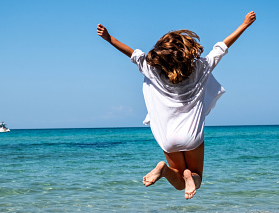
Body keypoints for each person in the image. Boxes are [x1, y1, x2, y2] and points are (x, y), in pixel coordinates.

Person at [97, 11, 256, 199]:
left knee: (179, 183)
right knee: (194, 179)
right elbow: (222, 47)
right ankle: (189, 177)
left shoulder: (152, 70)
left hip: (166, 137)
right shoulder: (201, 68)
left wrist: (109, 38)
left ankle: (163, 170)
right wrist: (244, 25)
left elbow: (132, 54)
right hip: (191, 136)